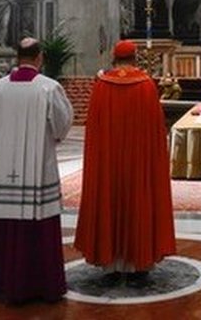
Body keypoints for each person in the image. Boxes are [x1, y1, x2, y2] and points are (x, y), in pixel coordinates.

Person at [75, 40, 175, 286]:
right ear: (135, 57)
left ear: (114, 58)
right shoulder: (146, 86)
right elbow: (156, 133)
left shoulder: (102, 86)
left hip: (108, 162)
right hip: (139, 161)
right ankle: (138, 263)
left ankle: (110, 264)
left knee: (110, 198)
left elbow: (94, 131)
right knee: (138, 199)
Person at [0, 38, 73, 304]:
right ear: (40, 57)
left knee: (5, 222)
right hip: (38, 169)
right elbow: (61, 126)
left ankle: (1, 284)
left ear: (17, 57)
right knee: (39, 224)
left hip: (3, 168)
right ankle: (41, 286)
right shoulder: (49, 88)